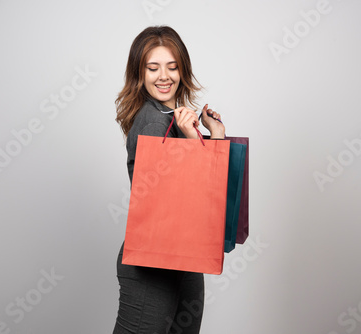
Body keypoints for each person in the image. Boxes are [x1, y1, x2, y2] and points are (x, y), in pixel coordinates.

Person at [113, 25, 225, 334]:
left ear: (182, 70)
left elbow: (210, 191)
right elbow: (169, 198)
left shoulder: (171, 116)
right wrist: (192, 137)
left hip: (183, 256)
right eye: (153, 68)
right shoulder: (152, 121)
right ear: (140, 73)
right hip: (152, 265)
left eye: (172, 67)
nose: (164, 76)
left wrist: (212, 134)